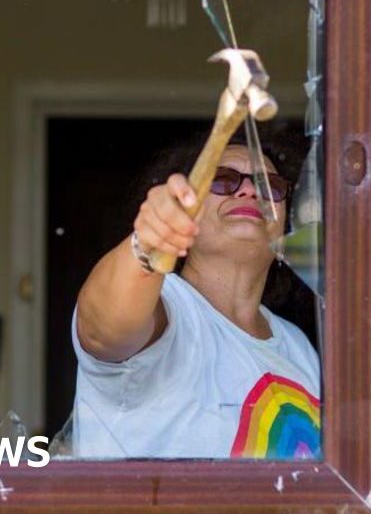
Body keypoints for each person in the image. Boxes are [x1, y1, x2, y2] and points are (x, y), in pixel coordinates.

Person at [71, 131, 321, 459]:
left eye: (269, 187)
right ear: (187, 211)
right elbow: (102, 330)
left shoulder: (297, 346)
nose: (248, 191)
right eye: (223, 180)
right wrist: (146, 243)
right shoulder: (167, 305)